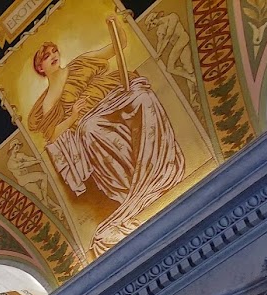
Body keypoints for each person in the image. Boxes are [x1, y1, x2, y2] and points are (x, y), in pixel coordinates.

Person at [26, 18, 185, 254]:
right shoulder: (48, 100)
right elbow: (53, 133)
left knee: (143, 97)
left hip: (114, 96)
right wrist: (74, 116)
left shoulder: (80, 64)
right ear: (40, 68)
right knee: (91, 128)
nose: (53, 55)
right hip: (89, 118)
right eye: (47, 55)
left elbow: (115, 47)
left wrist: (117, 22)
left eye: (54, 50)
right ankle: (134, 186)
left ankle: (159, 167)